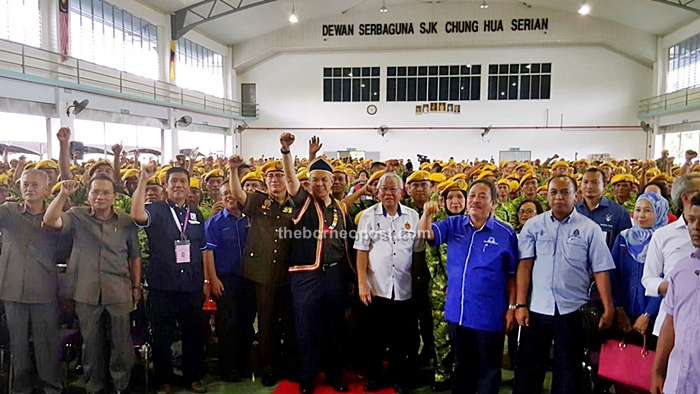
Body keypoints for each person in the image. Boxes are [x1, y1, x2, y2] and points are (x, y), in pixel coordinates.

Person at [514, 175, 616, 394]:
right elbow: (524, 266)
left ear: (575, 196)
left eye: (564, 192)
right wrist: (520, 304)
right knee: (528, 370)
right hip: (537, 309)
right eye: (553, 192)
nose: (558, 197)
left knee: (568, 372)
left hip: (572, 311)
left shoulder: (590, 229)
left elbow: (600, 269)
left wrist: (608, 307)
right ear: (547, 195)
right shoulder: (533, 226)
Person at [43, 177, 141, 394]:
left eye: (106, 193)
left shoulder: (125, 221)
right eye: (95, 192)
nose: (100, 197)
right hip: (85, 291)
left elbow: (135, 255)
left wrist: (136, 287)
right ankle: (94, 386)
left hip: (119, 290)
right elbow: (50, 220)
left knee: (121, 343)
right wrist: (63, 194)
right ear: (88, 195)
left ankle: (120, 385)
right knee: (91, 343)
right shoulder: (76, 216)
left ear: (114, 197)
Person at [420, 180, 519, 394]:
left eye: (482, 196)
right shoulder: (454, 224)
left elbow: (512, 276)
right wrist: (426, 214)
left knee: (488, 370)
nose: (475, 200)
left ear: (493, 203)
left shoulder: (505, 233)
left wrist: (512, 308)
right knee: (463, 367)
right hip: (458, 313)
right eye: (472, 195)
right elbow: (425, 235)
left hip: (489, 316)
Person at [279, 133, 354, 394]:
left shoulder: (341, 208)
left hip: (335, 276)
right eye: (315, 179)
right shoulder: (303, 202)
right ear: (308, 183)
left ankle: (334, 374)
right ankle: (308, 376)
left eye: (324, 179)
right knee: (306, 327)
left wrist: (351, 277)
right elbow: (289, 178)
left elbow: (346, 244)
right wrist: (286, 151)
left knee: (334, 326)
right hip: (305, 277)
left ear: (333, 182)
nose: (320, 184)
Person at [130, 165, 209, 394]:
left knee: (193, 333)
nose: (178, 185)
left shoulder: (196, 214)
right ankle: (164, 380)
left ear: (189, 186)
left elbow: (202, 249)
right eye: (173, 181)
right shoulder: (155, 209)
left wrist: (204, 281)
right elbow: (136, 215)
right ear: (166, 186)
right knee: (162, 335)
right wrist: (144, 180)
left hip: (191, 284)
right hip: (162, 284)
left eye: (183, 181)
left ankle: (193, 377)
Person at [227, 155, 297, 387]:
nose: (275, 179)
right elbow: (238, 195)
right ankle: (269, 366)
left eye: (279, 175)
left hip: (289, 273)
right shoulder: (259, 201)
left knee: (289, 321)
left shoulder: (295, 204)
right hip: (263, 274)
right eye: (270, 176)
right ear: (265, 182)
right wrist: (233, 169)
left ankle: (289, 364)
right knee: (266, 323)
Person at [355, 172, 423, 393]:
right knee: (373, 338)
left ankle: (398, 377)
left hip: (403, 289)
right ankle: (375, 377)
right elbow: (362, 251)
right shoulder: (368, 216)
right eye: (384, 189)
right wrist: (362, 283)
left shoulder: (412, 217)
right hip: (376, 287)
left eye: (393, 189)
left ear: (401, 192)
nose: (388, 193)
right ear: (377, 191)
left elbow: (417, 252)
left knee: (400, 339)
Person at [0, 169, 62, 394]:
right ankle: (20, 388)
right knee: (18, 345)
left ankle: (52, 387)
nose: (30, 188)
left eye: (35, 185)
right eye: (26, 184)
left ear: (47, 189)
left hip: (44, 290)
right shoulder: (8, 212)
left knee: (47, 344)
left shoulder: (56, 216)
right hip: (12, 289)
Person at [609, 193, 667, 393]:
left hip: (653, 317)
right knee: (624, 366)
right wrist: (619, 309)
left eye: (648, 210)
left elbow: (665, 282)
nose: (641, 215)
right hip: (624, 313)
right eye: (639, 210)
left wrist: (647, 314)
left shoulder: (663, 240)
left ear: (659, 213)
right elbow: (613, 275)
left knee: (648, 367)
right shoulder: (624, 238)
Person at [650, 193, 700, 394]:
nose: (695, 227)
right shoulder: (682, 269)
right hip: (677, 379)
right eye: (692, 220)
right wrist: (657, 371)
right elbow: (669, 323)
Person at [203, 182, 253, 382]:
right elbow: (207, 253)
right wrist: (212, 279)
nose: (229, 197)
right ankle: (227, 367)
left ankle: (244, 365)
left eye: (232, 193)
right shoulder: (214, 223)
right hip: (225, 279)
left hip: (249, 279)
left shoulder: (251, 219)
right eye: (224, 194)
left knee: (247, 324)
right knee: (227, 324)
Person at [641, 173, 700, 337]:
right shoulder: (664, 235)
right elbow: (648, 279)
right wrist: (675, 287)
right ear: (686, 197)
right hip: (672, 321)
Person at [423, 180, 466, 391]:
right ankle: (442, 372)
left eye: (459, 197)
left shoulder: (472, 223)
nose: (455, 201)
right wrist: (445, 285)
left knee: (465, 337)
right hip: (442, 291)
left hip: (467, 291)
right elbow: (431, 259)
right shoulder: (438, 224)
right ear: (443, 201)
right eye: (451, 197)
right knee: (441, 335)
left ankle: (462, 372)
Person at [575, 168, 632, 249]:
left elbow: (625, 247)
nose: (589, 186)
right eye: (585, 182)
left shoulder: (620, 213)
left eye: (595, 182)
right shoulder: (573, 211)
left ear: (604, 185)